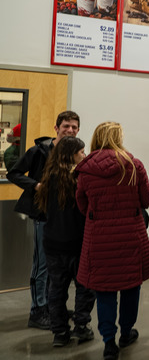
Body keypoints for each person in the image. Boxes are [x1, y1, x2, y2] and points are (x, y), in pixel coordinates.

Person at [75, 121, 149, 360]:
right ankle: (126, 331)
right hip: (131, 235)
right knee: (132, 286)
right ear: (118, 138)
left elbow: (81, 203)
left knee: (104, 290)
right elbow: (146, 199)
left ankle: (109, 342)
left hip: (99, 238)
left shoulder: (86, 169)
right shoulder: (133, 165)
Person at [8, 110, 81, 330]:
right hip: (42, 216)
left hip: (65, 220)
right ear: (56, 128)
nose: (70, 130)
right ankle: (37, 311)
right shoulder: (39, 151)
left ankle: (53, 307)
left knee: (58, 269)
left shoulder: (75, 154)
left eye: (74, 127)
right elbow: (14, 173)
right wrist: (37, 186)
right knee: (42, 267)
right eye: (66, 126)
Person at [34, 136, 96, 347]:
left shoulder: (48, 178)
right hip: (77, 243)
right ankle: (81, 326)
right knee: (85, 287)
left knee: (56, 290)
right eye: (81, 152)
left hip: (52, 243)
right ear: (72, 154)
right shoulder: (80, 178)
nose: (85, 155)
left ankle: (60, 333)